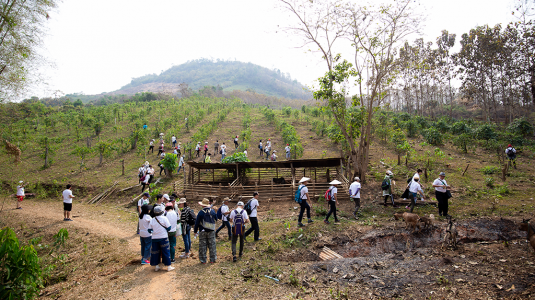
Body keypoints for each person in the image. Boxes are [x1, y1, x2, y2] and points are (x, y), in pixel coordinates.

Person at [147, 206, 174, 272]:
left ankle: (157, 266)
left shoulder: (152, 220)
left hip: (155, 238)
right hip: (163, 238)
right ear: (162, 212)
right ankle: (168, 266)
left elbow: (149, 230)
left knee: (155, 252)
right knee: (166, 251)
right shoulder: (164, 218)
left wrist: (154, 231)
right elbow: (169, 228)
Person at [194, 198, 217, 264]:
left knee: (203, 246)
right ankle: (212, 259)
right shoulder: (212, 211)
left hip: (202, 230)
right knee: (212, 245)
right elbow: (216, 218)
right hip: (211, 230)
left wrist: (195, 231)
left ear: (202, 205)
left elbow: (197, 223)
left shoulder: (200, 212)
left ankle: (203, 260)